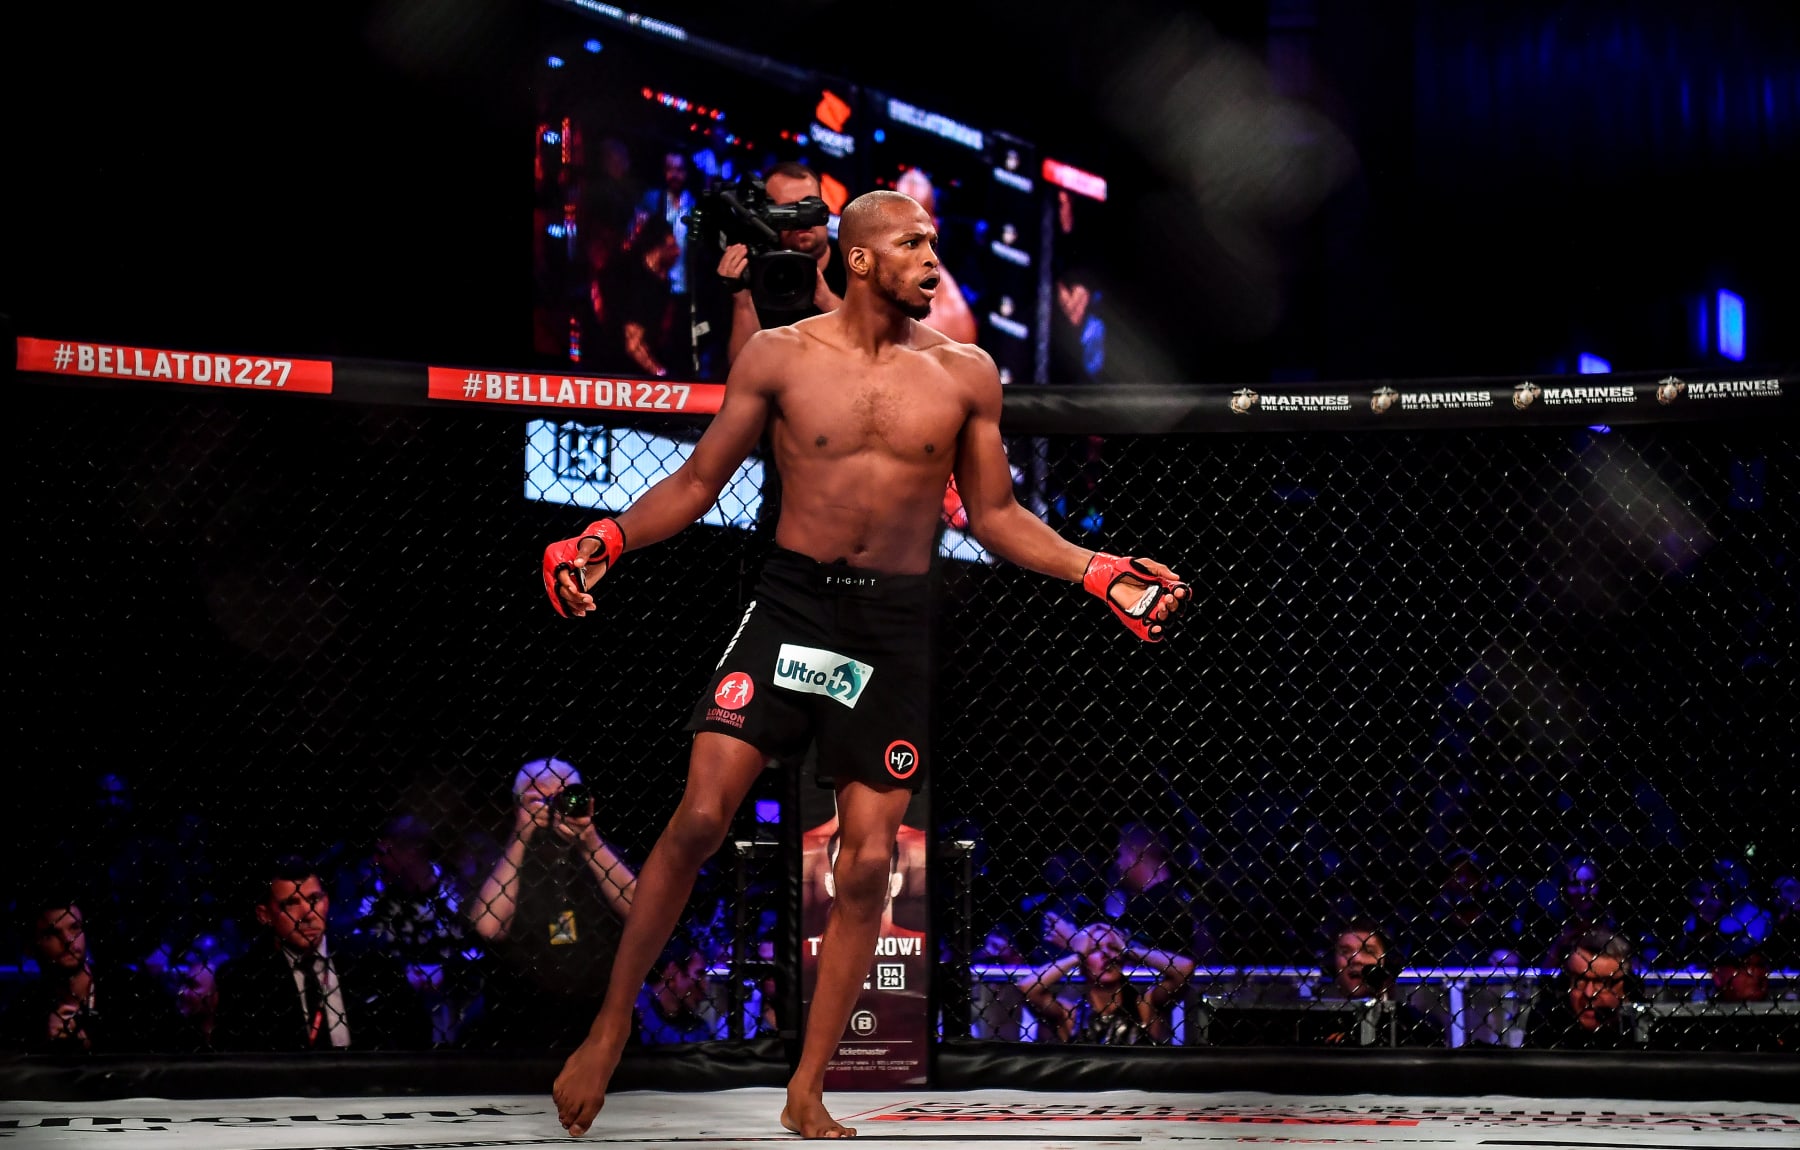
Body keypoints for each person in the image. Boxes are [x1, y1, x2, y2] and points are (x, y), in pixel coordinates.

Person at [540, 186, 1189, 1138]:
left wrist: (1097, 572)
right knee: (702, 816)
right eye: (914, 244)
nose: (933, 259)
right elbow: (693, 480)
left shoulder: (966, 374)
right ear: (858, 259)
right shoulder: (780, 356)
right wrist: (605, 539)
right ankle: (606, 1029)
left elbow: (998, 516)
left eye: (936, 243)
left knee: (869, 862)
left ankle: (808, 1086)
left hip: (890, 629)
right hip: (790, 603)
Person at [467, 757, 638, 1049]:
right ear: (519, 805)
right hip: (518, 1019)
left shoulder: (606, 855)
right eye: (540, 798)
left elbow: (643, 913)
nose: (555, 807)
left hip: (599, 1015)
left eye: (564, 796)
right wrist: (521, 837)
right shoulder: (501, 859)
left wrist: (590, 842)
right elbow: (488, 927)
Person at [212, 855, 430, 1052]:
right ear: (264, 915)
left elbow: (416, 1030)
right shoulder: (243, 980)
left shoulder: (371, 961)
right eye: (291, 903)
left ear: (326, 902)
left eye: (314, 899)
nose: (307, 913)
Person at [352, 811, 486, 1047]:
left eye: (385, 853)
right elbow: (359, 947)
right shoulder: (376, 895)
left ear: (411, 853)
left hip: (459, 1003)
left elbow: (481, 949)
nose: (377, 861)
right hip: (399, 1005)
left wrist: (446, 972)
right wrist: (404, 973)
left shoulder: (458, 890)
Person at [4, 891, 182, 1054]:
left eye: (75, 928)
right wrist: (44, 1042)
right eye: (52, 933)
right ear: (32, 946)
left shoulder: (132, 991)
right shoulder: (27, 1008)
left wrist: (90, 1047)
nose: (68, 940)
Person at [715, 160, 846, 368]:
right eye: (788, 210)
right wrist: (742, 302)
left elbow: (881, 347)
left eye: (808, 206)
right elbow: (742, 371)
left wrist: (827, 301)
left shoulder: (857, 265)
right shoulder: (748, 272)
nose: (802, 220)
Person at [1017, 920, 1193, 1045]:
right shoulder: (1069, 1015)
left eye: (1112, 947)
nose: (1107, 955)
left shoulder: (1147, 1006)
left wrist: (1127, 949)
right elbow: (1027, 987)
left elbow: (1184, 969)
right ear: (1083, 963)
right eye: (1095, 949)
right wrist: (1076, 955)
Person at [1523, 926, 1639, 1050]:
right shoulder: (1546, 1019)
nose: (1589, 994)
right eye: (1579, 981)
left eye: (1602, 983)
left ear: (1626, 988)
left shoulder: (1641, 1025)